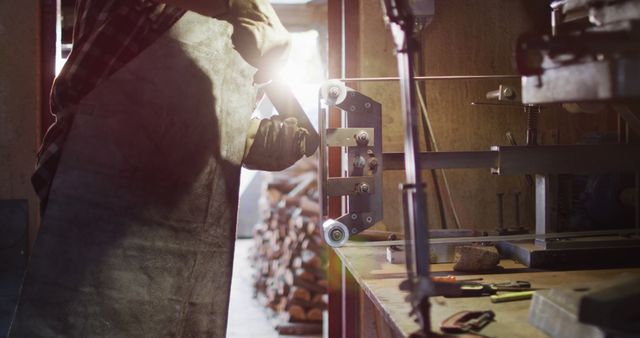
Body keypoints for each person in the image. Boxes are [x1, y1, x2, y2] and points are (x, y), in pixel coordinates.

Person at [10, 1, 296, 336]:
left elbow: (182, 100)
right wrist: (240, 4)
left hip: (181, 216)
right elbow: (120, 97)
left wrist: (240, 136)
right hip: (100, 200)